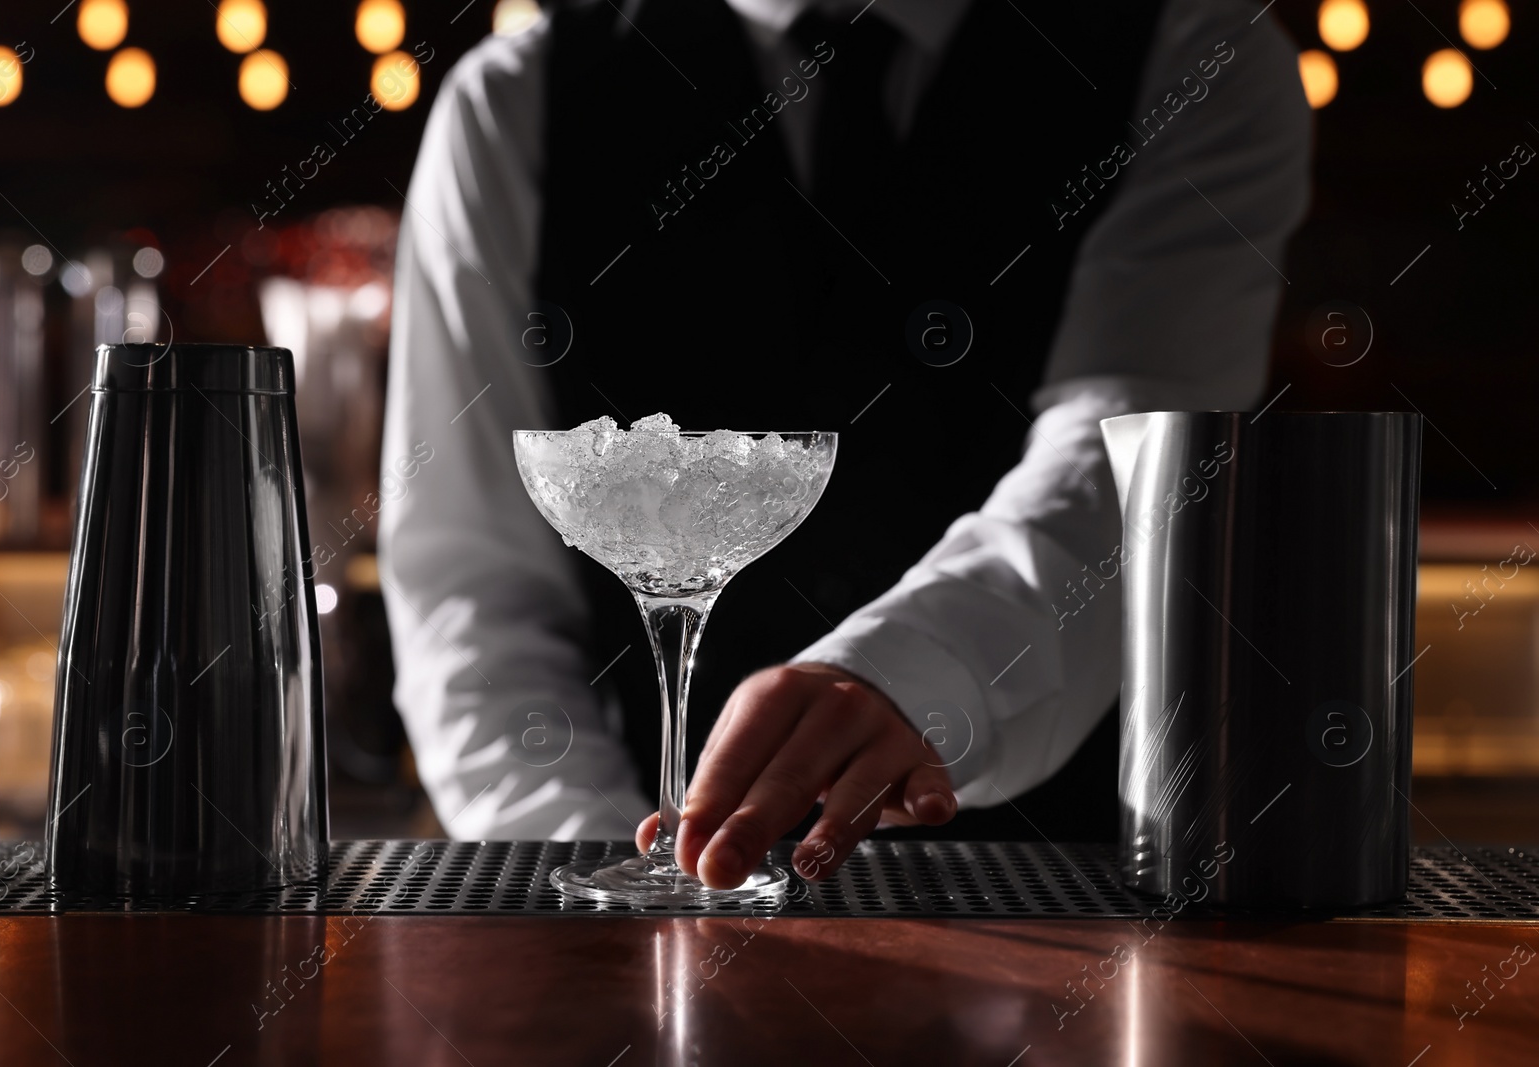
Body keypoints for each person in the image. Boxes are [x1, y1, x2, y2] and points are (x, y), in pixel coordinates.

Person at [379, 0, 1310, 888]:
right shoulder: (514, 98)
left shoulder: (1194, 51)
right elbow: (473, 578)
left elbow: (1129, 458)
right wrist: (604, 866)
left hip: (1059, 900)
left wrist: (915, 670)